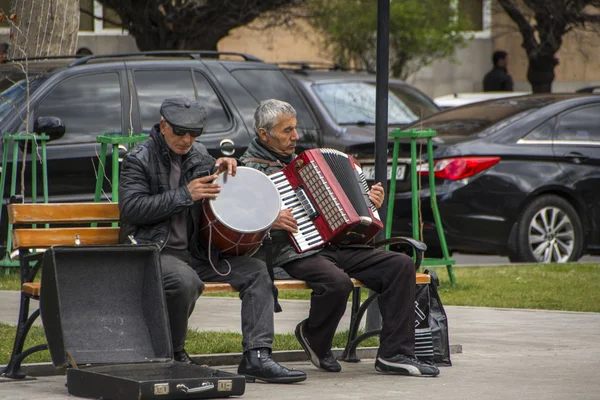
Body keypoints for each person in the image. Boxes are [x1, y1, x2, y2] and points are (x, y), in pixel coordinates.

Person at [240, 99, 440, 377]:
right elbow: (237, 219)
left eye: (295, 129)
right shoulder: (249, 171)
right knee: (337, 282)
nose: (295, 136)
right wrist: (268, 219)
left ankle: (395, 354)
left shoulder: (306, 162)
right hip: (292, 251)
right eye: (287, 131)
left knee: (399, 265)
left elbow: (343, 206)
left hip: (335, 245)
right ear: (264, 134)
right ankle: (315, 337)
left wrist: (369, 203)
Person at [119, 95, 306, 384]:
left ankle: (257, 357)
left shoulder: (199, 156)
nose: (186, 139)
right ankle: (174, 352)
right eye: (180, 131)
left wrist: (226, 170)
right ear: (163, 126)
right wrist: (185, 195)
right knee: (185, 281)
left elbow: (223, 194)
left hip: (197, 254)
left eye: (194, 134)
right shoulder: (139, 158)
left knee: (256, 272)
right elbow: (131, 209)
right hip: (155, 251)